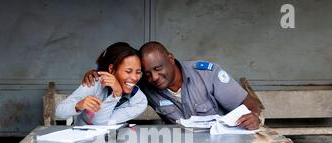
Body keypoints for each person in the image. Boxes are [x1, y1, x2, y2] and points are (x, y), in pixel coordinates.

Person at [82, 41, 261, 129]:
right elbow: (121, 77)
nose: (155, 77)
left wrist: (253, 116)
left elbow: (251, 104)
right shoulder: (146, 85)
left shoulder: (207, 74)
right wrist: (97, 74)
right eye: (147, 73)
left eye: (158, 68)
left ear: (170, 58)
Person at [56, 42, 147, 125]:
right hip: (80, 138)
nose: (135, 77)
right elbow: (59, 111)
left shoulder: (140, 101)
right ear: (111, 69)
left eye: (138, 72)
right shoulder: (95, 83)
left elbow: (100, 123)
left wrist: (116, 95)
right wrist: (79, 105)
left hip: (112, 141)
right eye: (128, 71)